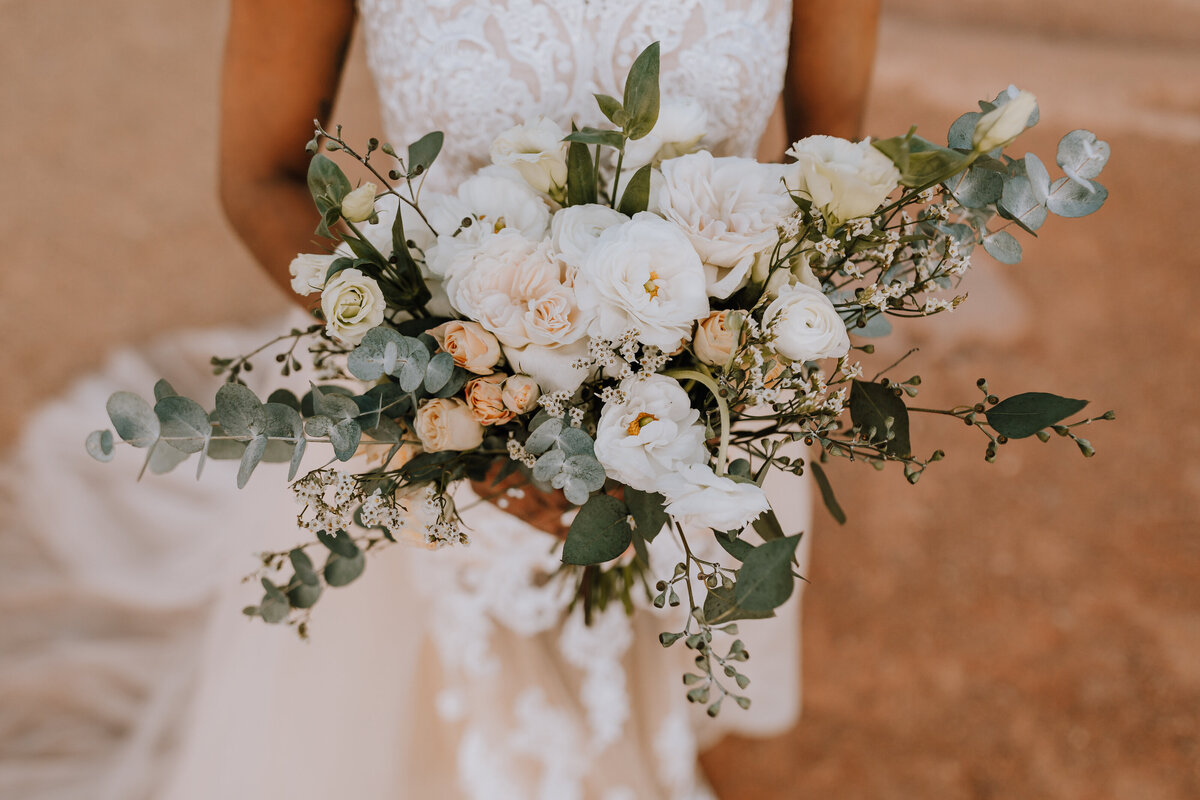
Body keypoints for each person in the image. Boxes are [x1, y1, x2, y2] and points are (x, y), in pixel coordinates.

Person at [0, 2, 880, 798]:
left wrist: (726, 372)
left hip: (694, 408)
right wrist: (464, 397)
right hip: (432, 401)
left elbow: (830, 158)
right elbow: (259, 173)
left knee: (652, 682)